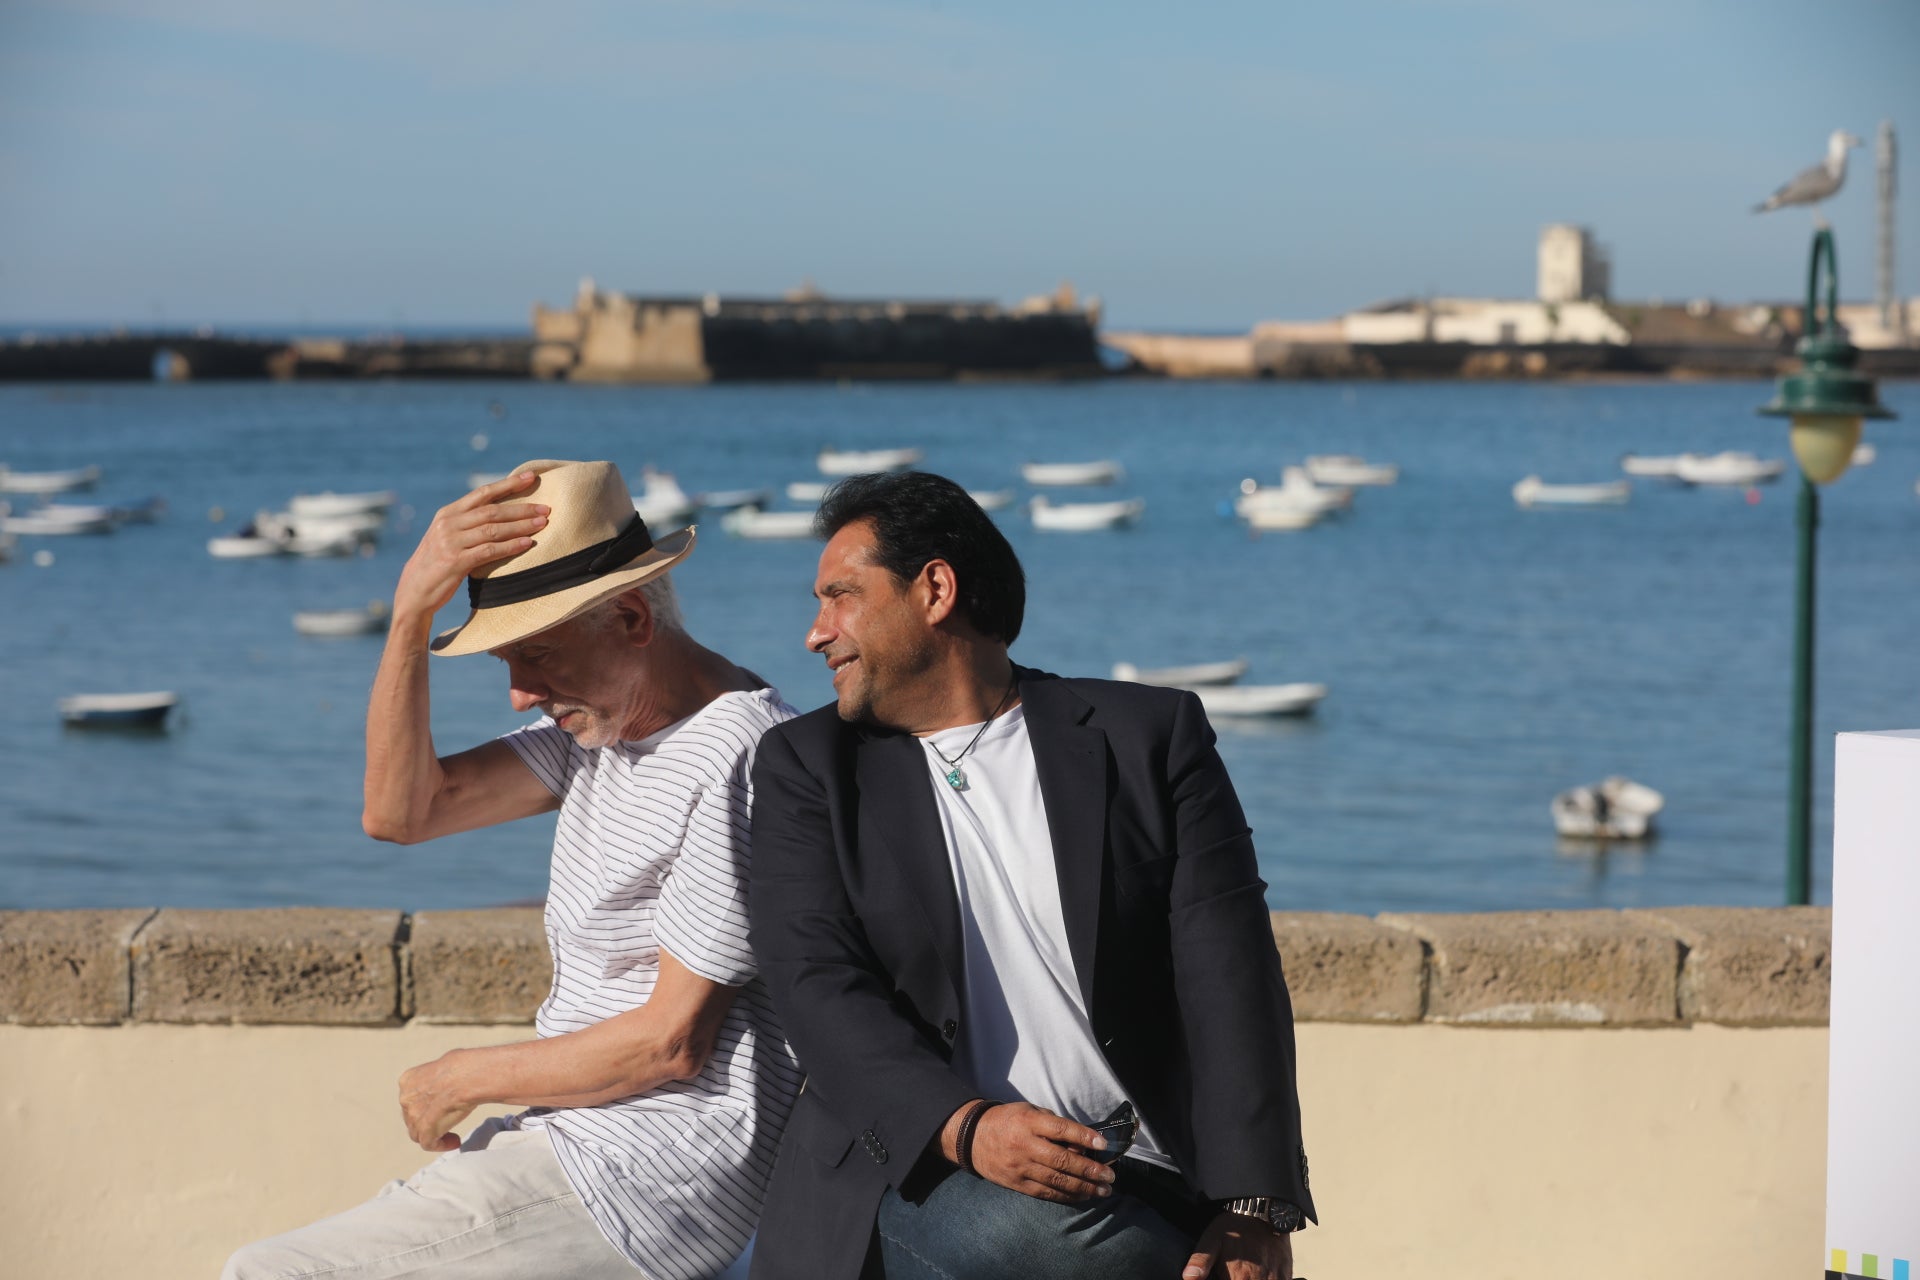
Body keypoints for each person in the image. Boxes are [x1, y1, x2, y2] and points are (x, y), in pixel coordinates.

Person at [225, 460, 801, 1280]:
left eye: (535, 654)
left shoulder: (742, 755)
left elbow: (673, 1042)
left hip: (648, 1181)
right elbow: (402, 812)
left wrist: (462, 1077)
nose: (521, 694)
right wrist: (408, 613)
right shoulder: (606, 730)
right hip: (576, 1148)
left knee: (269, 1272)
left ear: (633, 617)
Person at [746, 471, 1315, 1280]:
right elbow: (814, 984)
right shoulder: (807, 768)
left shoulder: (1147, 738)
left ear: (935, 589)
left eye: (839, 596)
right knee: (1058, 1248)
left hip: (1144, 1165)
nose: (816, 632)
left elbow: (1232, 975)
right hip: (919, 1165)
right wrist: (966, 1126)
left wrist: (1254, 1207)